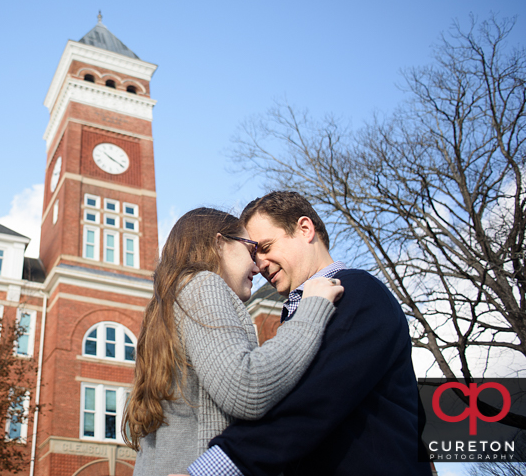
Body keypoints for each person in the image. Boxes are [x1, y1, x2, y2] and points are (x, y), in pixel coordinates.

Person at [187, 191, 431, 476]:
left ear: (305, 229)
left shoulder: (357, 292)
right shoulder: (300, 316)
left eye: (265, 246)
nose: (259, 264)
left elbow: (312, 396)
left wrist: (215, 467)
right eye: (254, 255)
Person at [123, 207, 344, 476]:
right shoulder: (203, 284)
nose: (258, 265)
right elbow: (247, 388)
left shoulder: (166, 308)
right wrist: (312, 308)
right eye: (251, 250)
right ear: (219, 243)